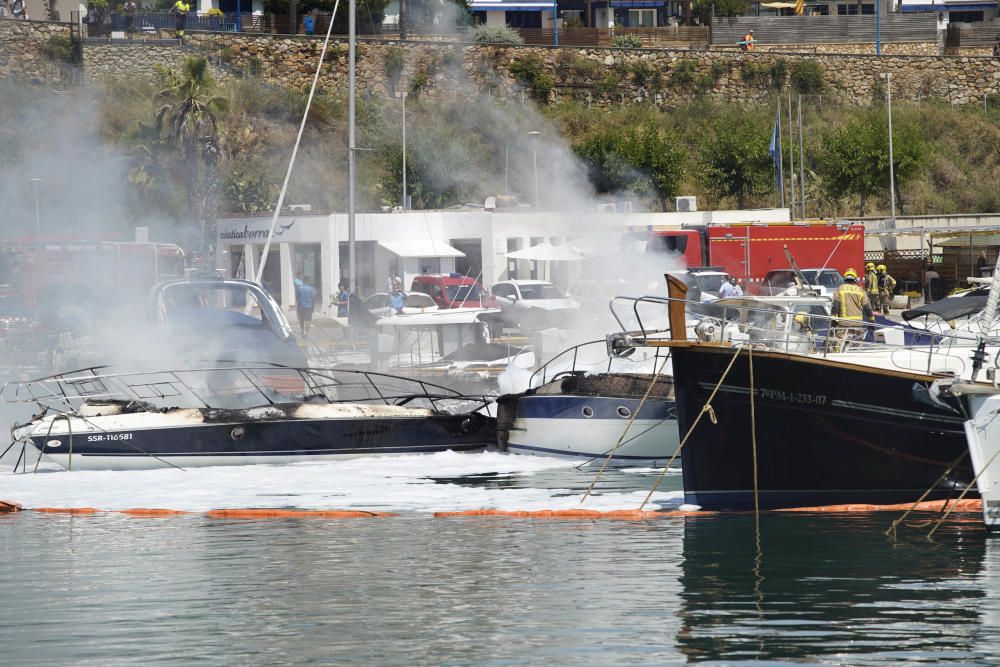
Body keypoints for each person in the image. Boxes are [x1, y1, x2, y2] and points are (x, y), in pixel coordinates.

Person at [830, 268, 873, 351]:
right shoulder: (861, 290)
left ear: (845, 278)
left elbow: (835, 306)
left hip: (844, 324)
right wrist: (872, 321)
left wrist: (833, 320)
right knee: (855, 348)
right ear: (855, 279)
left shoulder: (839, 289)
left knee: (838, 347)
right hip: (858, 324)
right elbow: (867, 307)